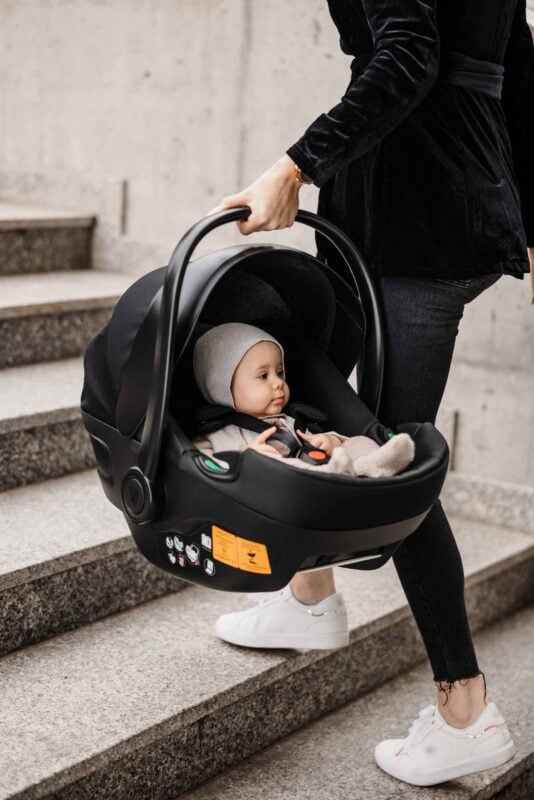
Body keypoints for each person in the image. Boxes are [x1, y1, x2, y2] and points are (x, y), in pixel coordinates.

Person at [206, 0, 533, 786]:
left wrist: (294, 166)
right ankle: (311, 592)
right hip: (457, 196)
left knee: (393, 452)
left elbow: (411, 50)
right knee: (325, 389)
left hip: (414, 207)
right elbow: (518, 63)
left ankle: (464, 708)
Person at [191, 321, 415, 479]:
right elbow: (201, 468)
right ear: (222, 389)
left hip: (328, 470)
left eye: (280, 373)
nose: (278, 383)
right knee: (281, 468)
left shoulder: (292, 420)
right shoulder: (217, 435)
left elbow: (319, 443)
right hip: (280, 493)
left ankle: (378, 462)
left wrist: (333, 441)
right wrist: (246, 460)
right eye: (263, 376)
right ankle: (334, 475)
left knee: (355, 441)